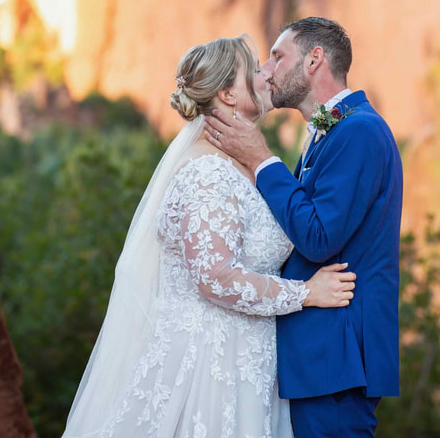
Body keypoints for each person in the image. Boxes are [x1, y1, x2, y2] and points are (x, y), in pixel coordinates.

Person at [62, 35, 356, 438]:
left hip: (248, 367)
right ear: (227, 94)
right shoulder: (208, 172)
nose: (265, 73)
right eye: (253, 68)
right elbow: (215, 276)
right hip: (206, 371)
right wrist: (306, 293)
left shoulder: (245, 167)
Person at [205, 18, 403, 438]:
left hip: (338, 357)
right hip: (322, 358)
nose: (268, 70)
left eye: (278, 56)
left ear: (314, 59)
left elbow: (317, 236)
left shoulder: (360, 131)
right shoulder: (331, 132)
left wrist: (261, 159)